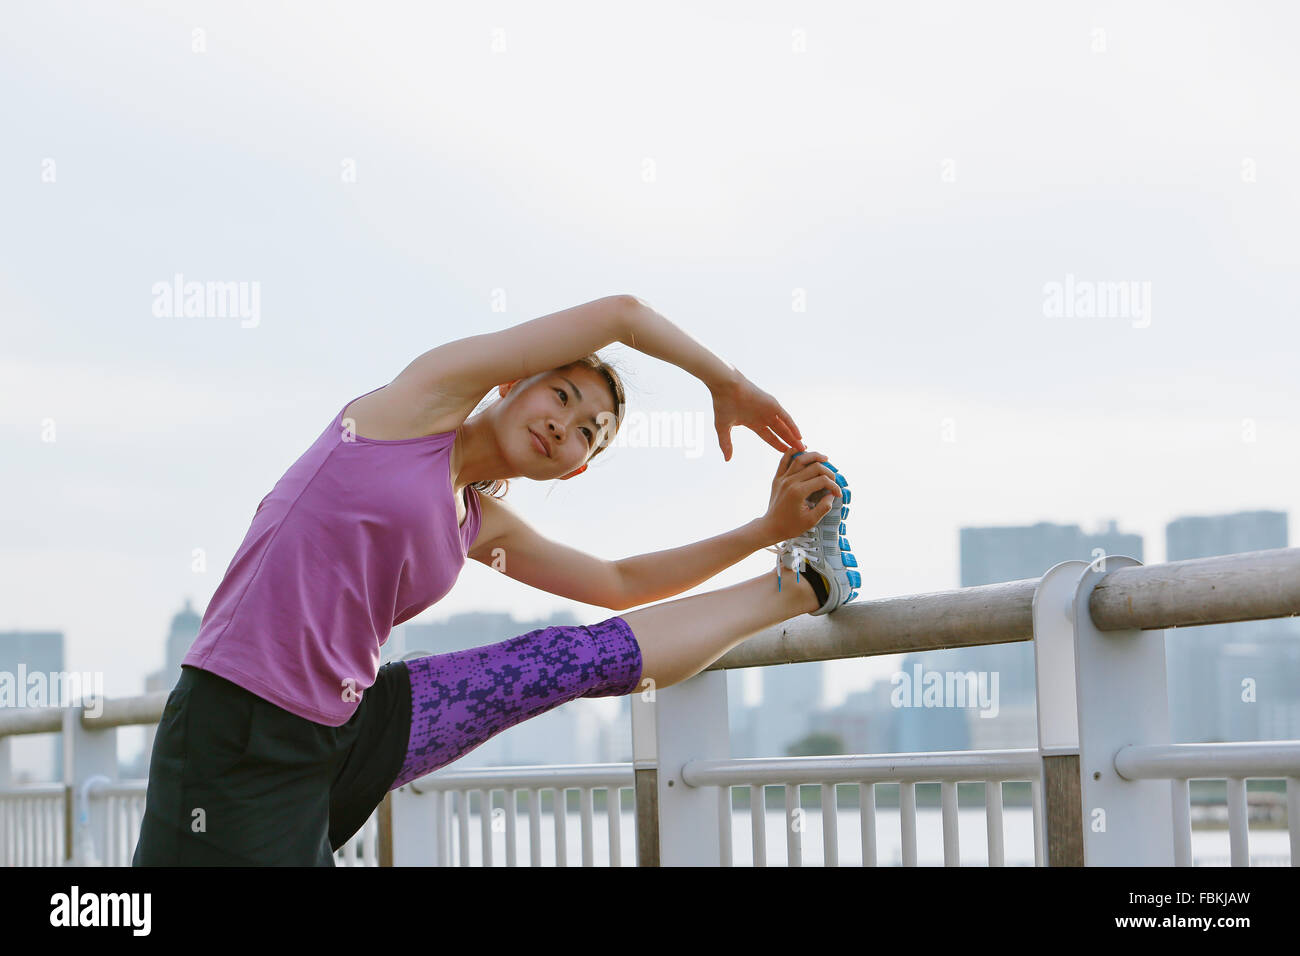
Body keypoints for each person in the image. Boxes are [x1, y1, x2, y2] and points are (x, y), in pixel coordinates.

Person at [131, 293, 860, 866]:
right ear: (513, 382)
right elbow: (621, 314)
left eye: (589, 436)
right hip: (239, 727)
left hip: (350, 726)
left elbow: (620, 580)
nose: (566, 427)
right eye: (563, 397)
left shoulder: (478, 522)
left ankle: (806, 586)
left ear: (573, 469)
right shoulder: (414, 408)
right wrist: (724, 382)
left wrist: (766, 530)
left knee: (573, 660)